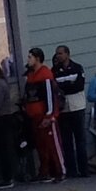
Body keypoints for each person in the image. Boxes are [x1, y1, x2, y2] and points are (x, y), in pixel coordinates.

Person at [23, 48, 64, 182]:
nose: (28, 60)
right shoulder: (30, 76)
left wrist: (49, 115)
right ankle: (45, 171)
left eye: (30, 57)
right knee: (41, 146)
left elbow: (50, 97)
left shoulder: (45, 75)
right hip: (34, 115)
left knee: (53, 144)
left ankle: (60, 171)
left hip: (45, 115)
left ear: (37, 58)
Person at [51, 45, 89, 181]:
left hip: (77, 107)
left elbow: (79, 85)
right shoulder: (54, 71)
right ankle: (72, 170)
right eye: (57, 54)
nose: (58, 56)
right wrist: (67, 85)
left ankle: (84, 169)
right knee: (67, 141)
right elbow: (54, 88)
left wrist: (64, 86)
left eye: (60, 53)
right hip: (64, 109)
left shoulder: (77, 68)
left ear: (67, 54)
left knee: (80, 140)